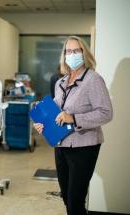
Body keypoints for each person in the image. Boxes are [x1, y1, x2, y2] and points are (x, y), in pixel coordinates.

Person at [34, 36, 113, 215]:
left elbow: (106, 113)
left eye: (76, 50)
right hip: (61, 145)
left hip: (84, 147)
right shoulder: (61, 82)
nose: (72, 55)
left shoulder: (93, 80)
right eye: (68, 51)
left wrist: (74, 118)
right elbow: (56, 113)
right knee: (66, 197)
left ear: (84, 53)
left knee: (75, 201)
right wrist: (43, 124)